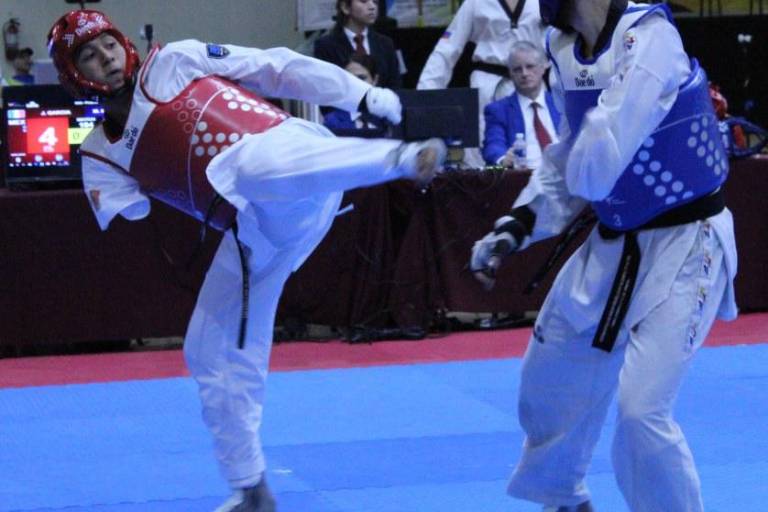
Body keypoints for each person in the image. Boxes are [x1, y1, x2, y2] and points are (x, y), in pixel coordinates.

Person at [47, 9, 446, 512]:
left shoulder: (173, 62)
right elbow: (129, 211)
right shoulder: (99, 158)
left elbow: (276, 65)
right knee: (207, 351)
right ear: (74, 74)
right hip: (259, 231)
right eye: (88, 55)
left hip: (294, 163)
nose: (105, 58)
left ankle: (401, 159)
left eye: (106, 44)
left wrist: (360, 95)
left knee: (249, 166)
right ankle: (250, 486)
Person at [470, 1, 737, 511]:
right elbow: (571, 156)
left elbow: (598, 163)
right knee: (549, 376)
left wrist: (587, 148)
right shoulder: (562, 49)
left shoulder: (650, 36)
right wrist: (519, 223)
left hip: (686, 242)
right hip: (615, 241)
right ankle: (564, 498)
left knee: (642, 413)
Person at [417, 0, 545, 167]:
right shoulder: (475, 2)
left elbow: (555, 44)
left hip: (531, 85)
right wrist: (425, 95)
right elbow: (447, 49)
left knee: (535, 156)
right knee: (482, 160)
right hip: (486, 85)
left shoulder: (542, 2)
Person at [482, 40, 561, 168]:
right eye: (517, 69)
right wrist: (504, 159)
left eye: (530, 66)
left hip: (563, 174)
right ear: (510, 74)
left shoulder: (561, 104)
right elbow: (493, 145)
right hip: (524, 177)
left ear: (543, 68)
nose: (524, 74)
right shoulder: (498, 110)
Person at [314, 0, 402, 89]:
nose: (372, 7)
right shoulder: (326, 45)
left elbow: (395, 84)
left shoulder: (385, 43)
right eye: (363, 1)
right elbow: (326, 87)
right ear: (345, 7)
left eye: (375, 2)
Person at [323, 53, 387, 134]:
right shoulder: (332, 121)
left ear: (375, 80)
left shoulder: (389, 117)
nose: (355, 84)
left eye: (361, 78)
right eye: (350, 79)